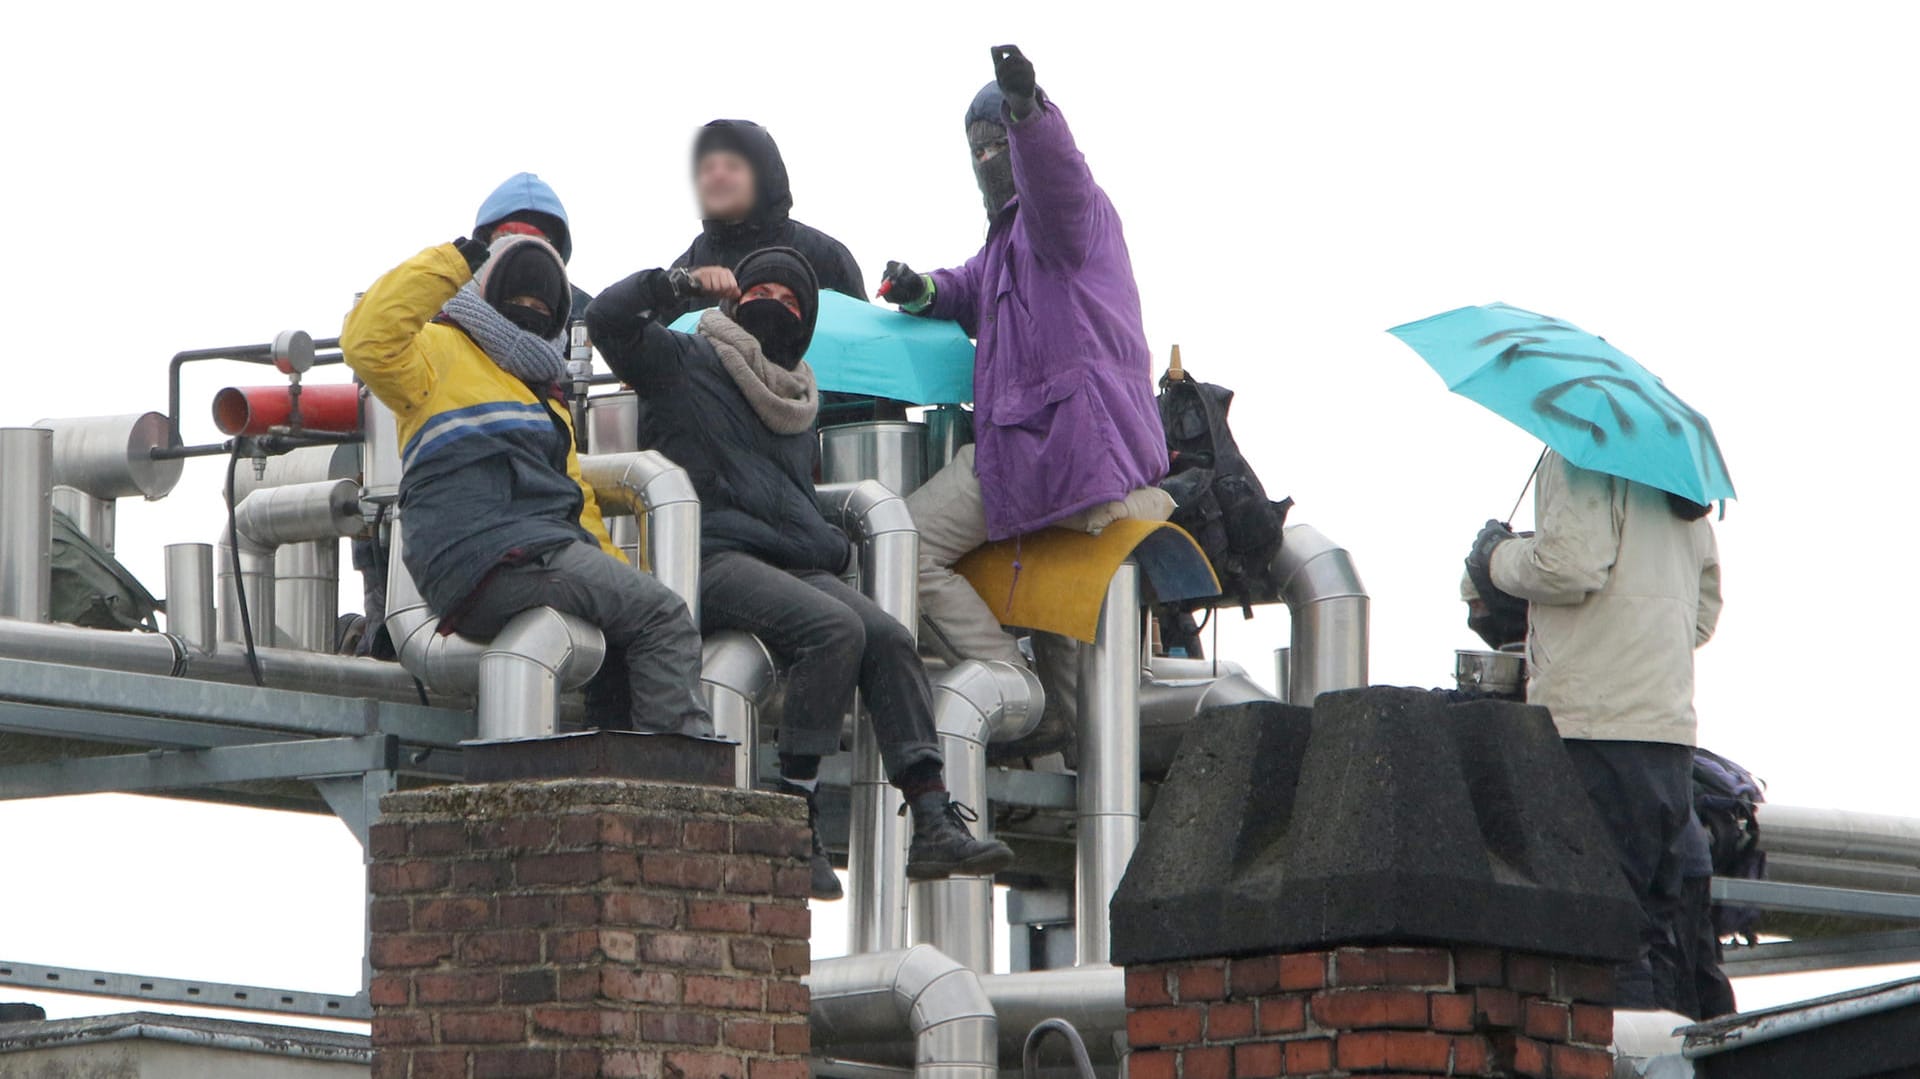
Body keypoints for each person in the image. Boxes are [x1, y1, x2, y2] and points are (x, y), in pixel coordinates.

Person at [587, 247, 1015, 899]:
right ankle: (795, 813)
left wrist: (829, 544)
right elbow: (610, 320)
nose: (775, 309)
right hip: (712, 557)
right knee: (834, 627)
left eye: (791, 303)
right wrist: (676, 285)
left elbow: (787, 499)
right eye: (761, 293)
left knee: (891, 635)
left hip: (785, 560)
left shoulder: (795, 401)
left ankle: (930, 812)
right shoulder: (686, 361)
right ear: (734, 300)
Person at [880, 46, 1172, 756]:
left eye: (996, 144)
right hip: (1040, 457)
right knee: (1073, 680)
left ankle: (1007, 681)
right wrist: (920, 289)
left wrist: (1027, 111)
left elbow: (1056, 173)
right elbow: (966, 284)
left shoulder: (1071, 216)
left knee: (899, 542)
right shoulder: (1008, 240)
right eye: (975, 147)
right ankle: (1025, 696)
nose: (986, 157)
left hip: (1061, 453)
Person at [342, 235, 710, 735]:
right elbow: (367, 338)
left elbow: (577, 509)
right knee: (664, 617)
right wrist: (454, 261)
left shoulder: (547, 399)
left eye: (543, 304)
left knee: (635, 620)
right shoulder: (435, 352)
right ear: (487, 296)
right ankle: (684, 778)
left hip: (529, 551)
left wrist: (623, 580)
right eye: (518, 298)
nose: (531, 310)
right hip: (483, 552)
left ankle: (613, 768)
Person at [1466, 451, 1723, 1011]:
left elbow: (1569, 566)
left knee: (1605, 929)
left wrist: (1496, 556)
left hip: (1593, 728)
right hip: (1668, 736)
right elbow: (1700, 619)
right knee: (1656, 931)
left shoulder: (1579, 450)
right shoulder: (1680, 474)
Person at [351, 172, 596, 658]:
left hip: (538, 530)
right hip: (431, 524)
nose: (522, 250)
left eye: (538, 240)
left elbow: (571, 470)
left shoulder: (577, 314)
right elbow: (373, 353)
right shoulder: (429, 309)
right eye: (506, 237)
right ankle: (379, 639)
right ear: (480, 249)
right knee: (391, 643)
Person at [670, 120, 894, 423]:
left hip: (816, 435)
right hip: (716, 434)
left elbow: (866, 363)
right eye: (707, 167)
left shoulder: (825, 257)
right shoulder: (684, 273)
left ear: (764, 176)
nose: (717, 175)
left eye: (733, 166)